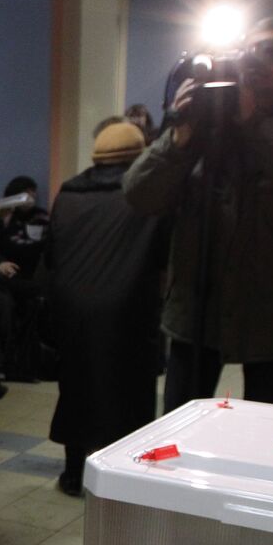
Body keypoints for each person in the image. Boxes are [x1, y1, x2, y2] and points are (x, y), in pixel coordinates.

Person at [125, 15, 273, 411]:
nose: (255, 61)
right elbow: (140, 196)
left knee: (263, 437)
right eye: (248, 50)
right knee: (180, 429)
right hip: (197, 310)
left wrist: (255, 121)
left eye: (270, 51)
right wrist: (180, 139)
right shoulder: (208, 120)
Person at [43, 122, 168, 496]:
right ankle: (120, 481)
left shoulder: (69, 192)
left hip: (71, 309)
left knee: (76, 390)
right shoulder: (147, 196)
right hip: (127, 311)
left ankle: (72, 474)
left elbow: (51, 253)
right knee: (127, 395)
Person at [0, 175, 50, 382]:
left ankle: (23, 366)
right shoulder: (1, 221)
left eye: (32, 193)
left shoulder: (41, 218)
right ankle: (12, 366)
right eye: (25, 193)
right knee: (26, 296)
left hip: (27, 275)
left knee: (32, 298)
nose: (30, 197)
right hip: (5, 276)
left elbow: (41, 248)